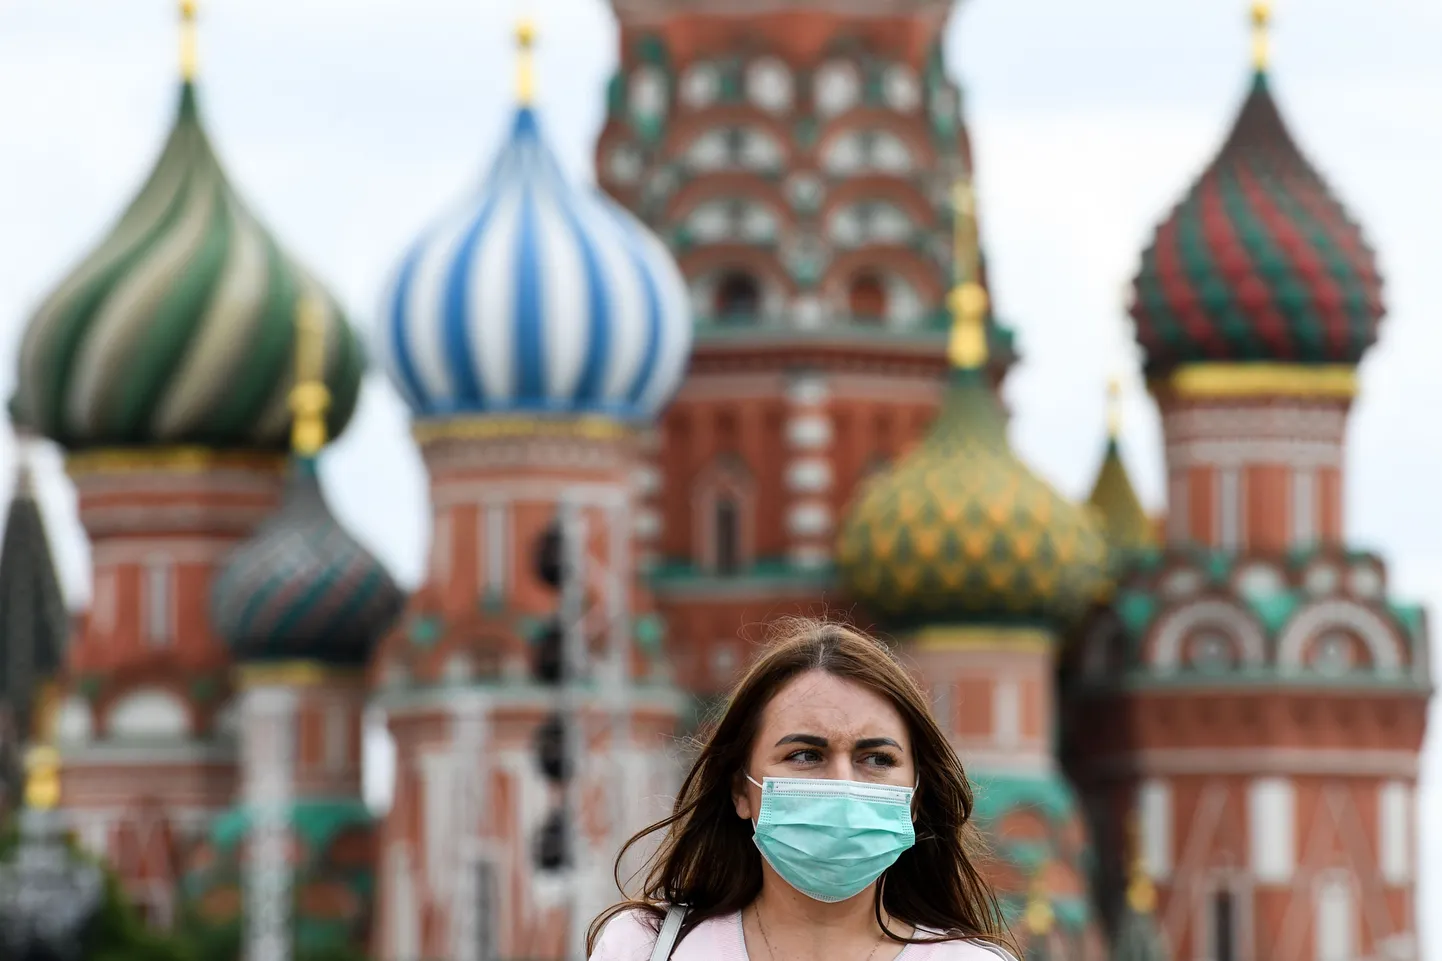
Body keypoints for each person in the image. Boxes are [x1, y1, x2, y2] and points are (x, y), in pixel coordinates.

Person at [587, 618, 1018, 960]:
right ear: (741, 789)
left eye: (877, 759)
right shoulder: (643, 948)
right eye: (806, 755)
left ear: (916, 797)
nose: (843, 785)